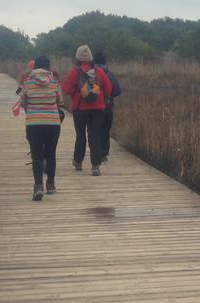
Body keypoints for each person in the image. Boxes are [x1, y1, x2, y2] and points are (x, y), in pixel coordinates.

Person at [61, 44, 112, 176]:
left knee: (80, 135)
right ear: (90, 58)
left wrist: (76, 92)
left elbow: (66, 89)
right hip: (98, 108)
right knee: (94, 135)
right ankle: (95, 165)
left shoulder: (75, 72)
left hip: (79, 108)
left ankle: (78, 161)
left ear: (77, 57)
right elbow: (109, 89)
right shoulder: (98, 71)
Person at [18, 56, 64, 201]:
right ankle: (50, 184)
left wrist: (32, 108)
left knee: (37, 156)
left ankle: (38, 186)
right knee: (50, 154)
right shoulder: (54, 82)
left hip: (34, 123)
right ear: (48, 67)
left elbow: (23, 102)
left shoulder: (27, 82)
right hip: (52, 123)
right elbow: (60, 101)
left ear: (35, 67)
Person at [93, 50, 122, 162]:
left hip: (94, 108)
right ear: (105, 62)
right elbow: (117, 91)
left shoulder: (91, 73)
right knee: (105, 131)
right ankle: (103, 154)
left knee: (95, 131)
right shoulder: (110, 74)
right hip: (108, 107)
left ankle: (95, 153)